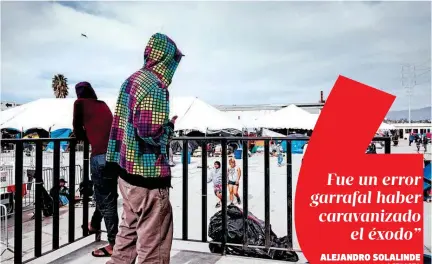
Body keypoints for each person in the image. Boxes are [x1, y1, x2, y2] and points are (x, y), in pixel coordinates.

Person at [105, 33, 183, 264]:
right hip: (147, 177)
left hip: (126, 174)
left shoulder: (132, 80)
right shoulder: (156, 86)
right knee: (154, 247)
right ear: (167, 59)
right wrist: (168, 127)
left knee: (127, 235)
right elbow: (148, 131)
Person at [72, 81, 118, 257]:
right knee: (106, 195)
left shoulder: (79, 103)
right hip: (114, 157)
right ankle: (94, 223)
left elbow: (76, 127)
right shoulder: (103, 104)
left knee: (107, 201)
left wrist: (84, 137)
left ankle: (114, 243)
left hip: (100, 156)